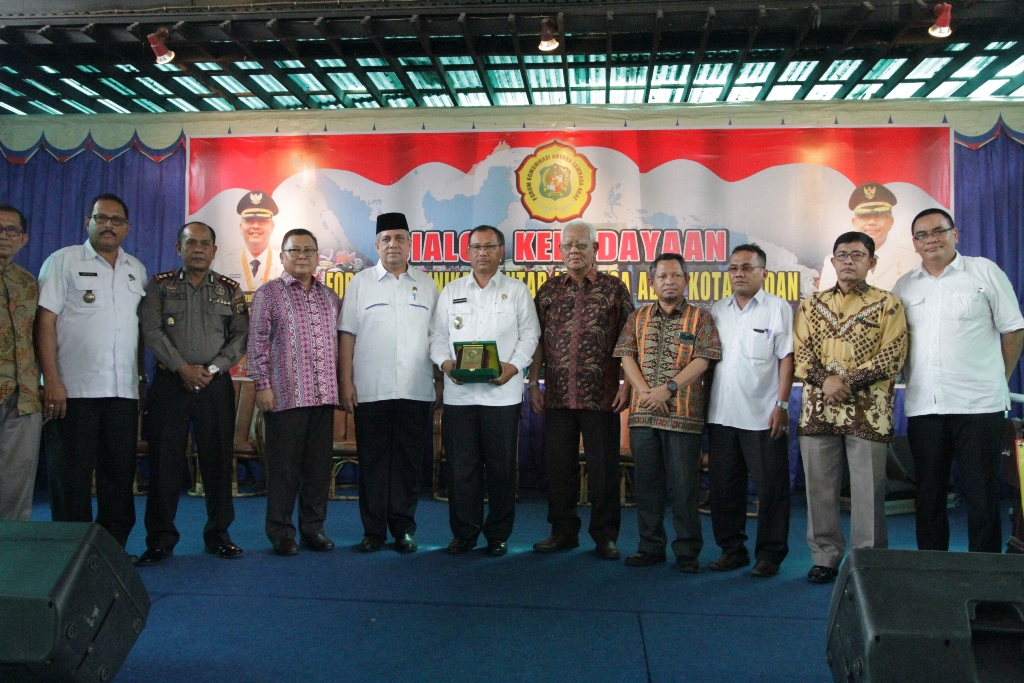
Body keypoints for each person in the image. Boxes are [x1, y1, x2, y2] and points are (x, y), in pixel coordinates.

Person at [892, 208, 1024, 554]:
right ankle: (933, 570)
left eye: (939, 231)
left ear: (955, 234)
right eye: (922, 235)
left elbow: (1013, 329)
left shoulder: (984, 271)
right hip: (926, 406)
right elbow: (895, 343)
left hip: (978, 405)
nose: (931, 239)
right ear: (914, 244)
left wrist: (999, 379)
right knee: (929, 495)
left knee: (982, 496)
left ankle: (985, 575)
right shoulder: (904, 286)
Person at [794, 231, 908, 584]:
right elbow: (801, 353)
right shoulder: (811, 304)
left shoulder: (888, 304)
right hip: (819, 410)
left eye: (857, 255)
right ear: (832, 261)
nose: (848, 261)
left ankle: (868, 561)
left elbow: (892, 356)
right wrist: (826, 381)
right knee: (819, 489)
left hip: (868, 411)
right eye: (842, 255)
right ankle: (824, 557)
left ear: (872, 262)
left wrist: (845, 382)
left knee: (868, 492)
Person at [37, 193, 148, 548]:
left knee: (119, 476)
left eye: (116, 220)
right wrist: (51, 381)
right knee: (71, 478)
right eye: (101, 218)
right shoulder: (63, 261)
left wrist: (140, 386)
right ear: (88, 222)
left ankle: (112, 552)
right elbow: (45, 323)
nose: (108, 225)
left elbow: (137, 332)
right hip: (73, 392)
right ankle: (72, 554)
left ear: (127, 228)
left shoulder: (136, 269)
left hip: (121, 393)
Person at [136, 222, 249, 566]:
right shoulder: (159, 286)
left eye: (204, 244)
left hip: (214, 386)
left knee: (218, 462)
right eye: (191, 243)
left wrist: (211, 369)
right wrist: (182, 368)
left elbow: (240, 337)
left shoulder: (230, 290)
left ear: (214, 250)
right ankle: (160, 541)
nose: (198, 249)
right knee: (164, 463)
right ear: (179, 248)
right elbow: (152, 331)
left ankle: (218, 536)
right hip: (171, 384)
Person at [429, 225, 540, 557]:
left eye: (489, 246)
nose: (482, 253)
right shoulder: (451, 291)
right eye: (476, 247)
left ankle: (498, 535)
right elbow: (437, 337)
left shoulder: (517, 291)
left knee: (502, 469)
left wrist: (513, 367)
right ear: (467, 253)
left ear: (501, 251)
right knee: (461, 469)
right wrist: (446, 364)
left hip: (501, 397)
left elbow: (530, 335)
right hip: (460, 396)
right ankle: (464, 534)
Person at [528, 220, 633, 560]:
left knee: (604, 469)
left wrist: (628, 384)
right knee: (560, 469)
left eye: (581, 245)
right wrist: (534, 382)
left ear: (595, 249)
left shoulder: (614, 289)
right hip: (557, 396)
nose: (574, 251)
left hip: (601, 396)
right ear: (560, 251)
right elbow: (537, 342)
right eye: (568, 246)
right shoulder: (548, 291)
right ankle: (562, 532)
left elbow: (629, 341)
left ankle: (605, 536)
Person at [614, 253, 721, 572]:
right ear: (651, 282)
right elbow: (626, 355)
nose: (669, 281)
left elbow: (704, 359)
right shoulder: (638, 317)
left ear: (686, 280)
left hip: (683, 416)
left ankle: (687, 551)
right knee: (647, 486)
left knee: (684, 487)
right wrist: (647, 393)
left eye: (675, 276)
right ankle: (650, 546)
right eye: (662, 276)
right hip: (643, 414)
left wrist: (669, 389)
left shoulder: (701, 319)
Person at [339, 212, 439, 555]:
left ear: (410, 243)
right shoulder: (360, 283)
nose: (392, 244)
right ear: (377, 245)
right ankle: (373, 532)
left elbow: (438, 338)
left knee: (409, 463)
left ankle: (403, 529)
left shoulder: (427, 285)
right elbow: (347, 335)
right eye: (386, 239)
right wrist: (346, 381)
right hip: (371, 389)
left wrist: (439, 380)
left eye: (399, 238)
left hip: (415, 388)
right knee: (373, 463)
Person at [247, 228, 342, 556]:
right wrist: (263, 387)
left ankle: (313, 529)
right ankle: (281, 532)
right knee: (284, 471)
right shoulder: (268, 294)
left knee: (318, 470)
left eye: (308, 250)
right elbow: (257, 344)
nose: (302, 256)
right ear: (283, 256)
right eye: (294, 250)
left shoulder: (330, 297)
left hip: (323, 396)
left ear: (317, 257)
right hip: (285, 397)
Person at [706, 244, 794, 578]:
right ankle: (732, 550)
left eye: (747, 267)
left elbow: (786, 358)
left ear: (763, 273)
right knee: (724, 488)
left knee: (771, 489)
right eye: (734, 268)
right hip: (721, 415)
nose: (739, 273)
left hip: (762, 416)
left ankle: (770, 555)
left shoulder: (777, 308)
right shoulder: (717, 311)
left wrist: (781, 405)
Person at [0, 204, 42, 521]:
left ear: (23, 239)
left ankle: (11, 545)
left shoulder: (29, 283)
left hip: (23, 398)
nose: (4, 235)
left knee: (17, 482)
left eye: (11, 229)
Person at [818, 183, 920, 292]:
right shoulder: (835, 262)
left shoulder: (911, 259)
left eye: (879, 216)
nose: (872, 222)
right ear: (854, 222)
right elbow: (826, 301)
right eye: (864, 216)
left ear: (891, 221)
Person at [212, 190, 283, 291]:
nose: (255, 226)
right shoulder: (224, 264)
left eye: (262, 220)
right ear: (241, 227)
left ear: (272, 226)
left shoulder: (284, 264)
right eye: (249, 220)